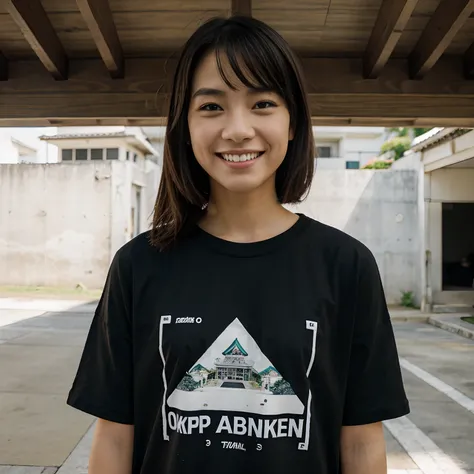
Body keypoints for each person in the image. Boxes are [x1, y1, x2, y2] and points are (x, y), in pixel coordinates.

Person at [67, 15, 409, 474]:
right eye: (211, 107)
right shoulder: (139, 265)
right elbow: (113, 439)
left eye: (263, 103)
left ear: (292, 123)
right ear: (184, 125)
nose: (238, 129)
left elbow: (363, 443)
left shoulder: (346, 266)